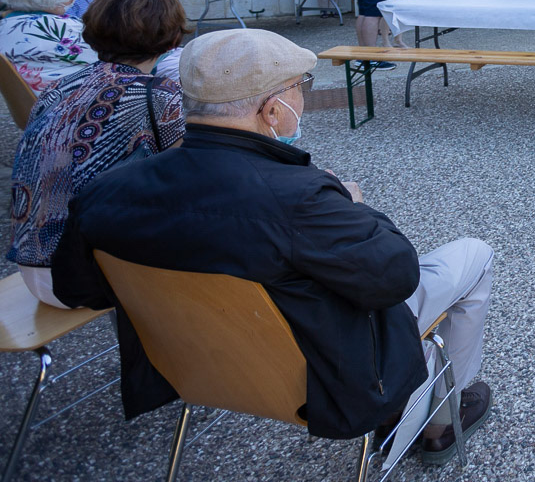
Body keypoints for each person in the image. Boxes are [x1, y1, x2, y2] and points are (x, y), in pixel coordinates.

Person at [49, 29, 496, 461]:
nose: (302, 96)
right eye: (300, 86)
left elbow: (78, 290)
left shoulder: (106, 191)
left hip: (192, 365)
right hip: (325, 375)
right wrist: (354, 206)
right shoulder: (298, 197)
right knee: (475, 253)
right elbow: (397, 278)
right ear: (273, 108)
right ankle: (437, 423)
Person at [7, 0, 188, 308]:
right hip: (79, 275)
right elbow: (192, 175)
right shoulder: (157, 94)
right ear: (173, 34)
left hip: (32, 261)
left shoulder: (61, 85)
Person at [0, 0, 97, 92]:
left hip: (32, 104)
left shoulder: (5, 26)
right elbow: (112, 60)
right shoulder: (66, 27)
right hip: (72, 104)